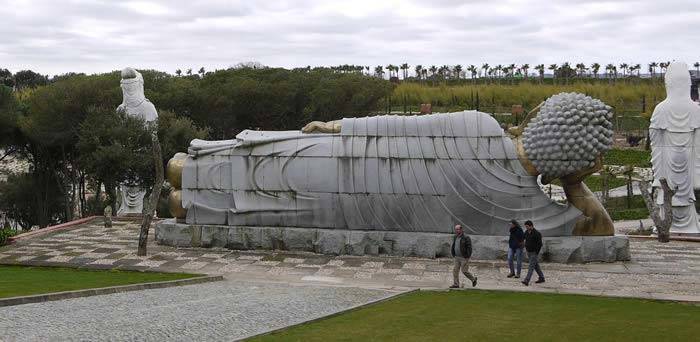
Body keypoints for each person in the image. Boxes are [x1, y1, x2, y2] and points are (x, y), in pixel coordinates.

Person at [450, 224, 477, 288]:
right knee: (455, 271)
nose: (456, 230)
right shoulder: (455, 236)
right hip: (456, 257)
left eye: (457, 229)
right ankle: (456, 284)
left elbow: (469, 248)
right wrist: (453, 253)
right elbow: (454, 245)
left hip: (464, 257)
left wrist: (467, 256)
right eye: (455, 229)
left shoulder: (466, 237)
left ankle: (473, 279)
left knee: (464, 271)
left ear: (461, 229)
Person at [522, 220, 545, 286]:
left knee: (531, 266)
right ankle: (542, 278)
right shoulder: (526, 232)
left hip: (534, 253)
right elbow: (523, 238)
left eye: (527, 226)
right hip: (528, 252)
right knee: (536, 266)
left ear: (531, 226)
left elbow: (540, 244)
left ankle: (527, 280)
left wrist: (536, 252)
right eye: (525, 226)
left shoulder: (537, 233)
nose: (526, 228)